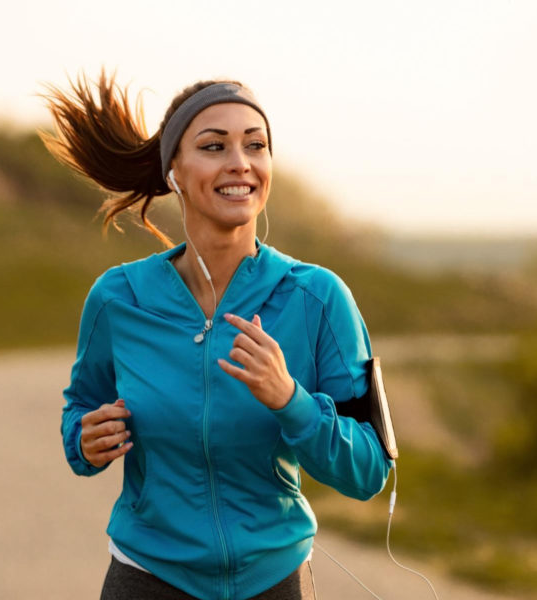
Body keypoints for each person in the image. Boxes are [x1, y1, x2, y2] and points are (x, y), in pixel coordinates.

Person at [41, 70, 392, 600]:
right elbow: (80, 411)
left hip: (273, 582)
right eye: (214, 146)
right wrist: (84, 442)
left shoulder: (317, 298)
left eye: (256, 145)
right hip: (146, 577)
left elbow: (369, 470)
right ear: (174, 171)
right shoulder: (119, 299)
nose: (240, 163)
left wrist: (290, 400)